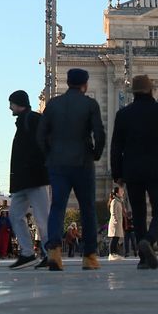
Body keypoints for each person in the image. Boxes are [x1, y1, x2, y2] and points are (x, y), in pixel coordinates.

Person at [110, 74, 158, 270]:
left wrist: (117, 173)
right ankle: (149, 240)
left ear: (133, 93)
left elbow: (116, 147)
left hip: (132, 171)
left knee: (139, 213)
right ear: (151, 90)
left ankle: (144, 258)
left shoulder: (123, 114)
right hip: (156, 169)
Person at [37, 68, 106, 271]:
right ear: (84, 84)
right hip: (82, 162)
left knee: (57, 206)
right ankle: (90, 256)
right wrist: (95, 154)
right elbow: (99, 134)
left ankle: (55, 252)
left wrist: (49, 154)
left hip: (57, 164)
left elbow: (40, 135)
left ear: (67, 82)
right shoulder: (90, 104)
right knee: (88, 209)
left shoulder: (53, 105)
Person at [6, 90, 51, 270]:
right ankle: (27, 253)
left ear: (19, 103)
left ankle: (48, 253)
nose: (9, 107)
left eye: (12, 103)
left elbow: (44, 144)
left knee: (42, 218)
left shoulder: (32, 119)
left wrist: (39, 166)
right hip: (24, 180)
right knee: (16, 215)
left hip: (34, 178)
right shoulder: (25, 121)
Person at [107, 186, 126, 261]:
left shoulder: (119, 201)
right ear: (117, 193)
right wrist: (116, 222)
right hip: (115, 223)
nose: (123, 192)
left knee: (116, 238)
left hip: (118, 223)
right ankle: (111, 254)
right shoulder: (114, 201)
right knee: (114, 238)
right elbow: (113, 213)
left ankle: (115, 254)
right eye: (121, 191)